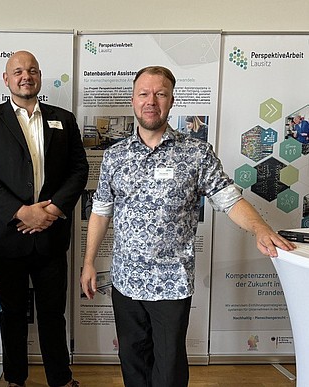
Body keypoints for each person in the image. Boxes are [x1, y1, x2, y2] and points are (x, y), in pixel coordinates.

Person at [79, 65, 296, 387]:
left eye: (160, 94)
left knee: (168, 368)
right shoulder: (115, 156)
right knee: (133, 361)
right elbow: (100, 211)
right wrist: (88, 263)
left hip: (172, 282)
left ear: (171, 100)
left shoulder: (196, 153)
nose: (151, 100)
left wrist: (260, 229)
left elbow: (229, 199)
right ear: (133, 100)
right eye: (144, 93)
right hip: (126, 280)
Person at [0, 50, 88, 387]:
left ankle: (60, 379)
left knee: (53, 314)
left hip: (50, 234)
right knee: (13, 313)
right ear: (6, 79)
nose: (25, 76)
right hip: (8, 235)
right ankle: (15, 379)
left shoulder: (63, 118)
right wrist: (22, 212)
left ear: (40, 76)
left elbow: (79, 169)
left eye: (32, 70)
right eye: (18, 71)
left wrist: (50, 211)